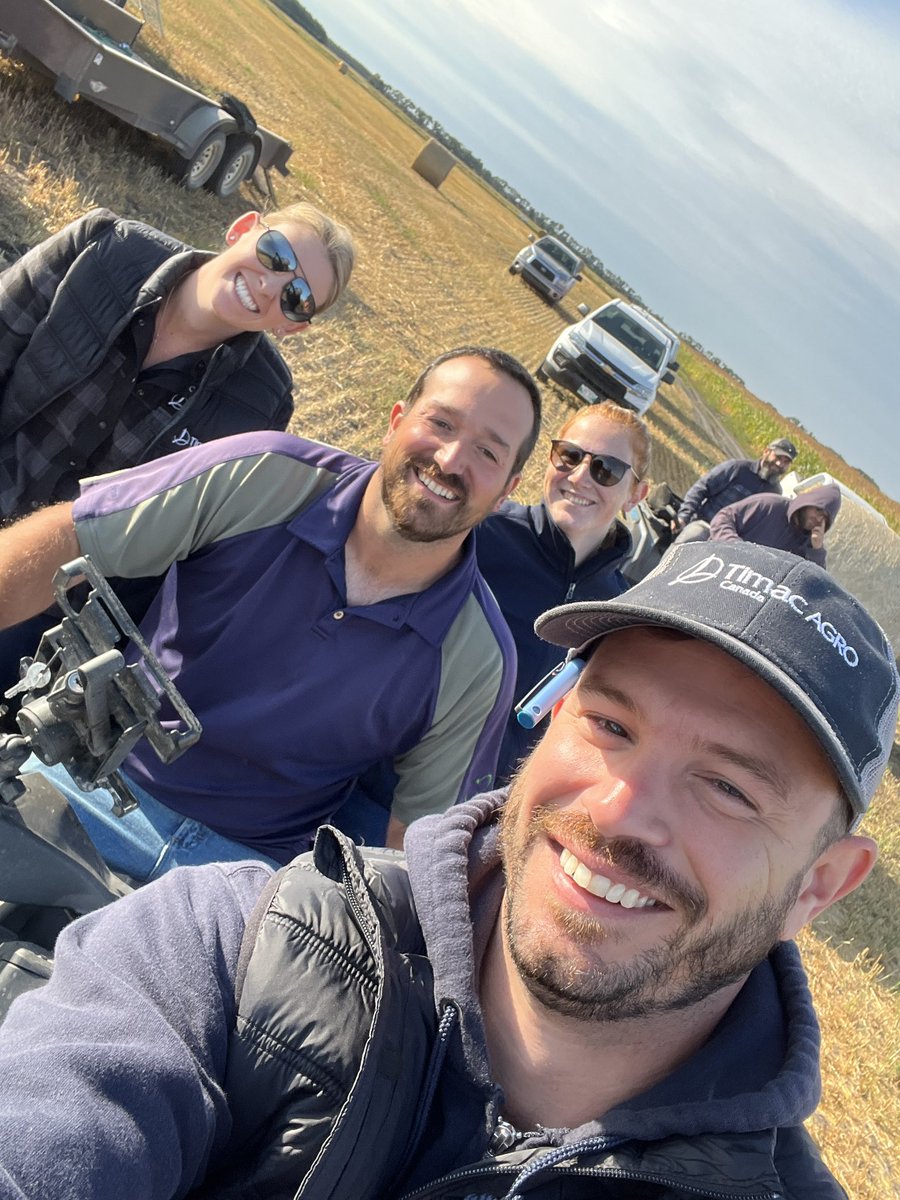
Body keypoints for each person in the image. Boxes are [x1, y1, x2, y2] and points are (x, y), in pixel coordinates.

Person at [0, 541, 894, 1200]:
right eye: (611, 726)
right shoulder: (229, 947)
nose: (618, 812)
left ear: (818, 887)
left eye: (729, 788)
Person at [0, 346, 541, 876]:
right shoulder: (261, 476)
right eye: (441, 423)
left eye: (488, 452)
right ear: (396, 421)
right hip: (94, 782)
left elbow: (419, 852)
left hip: (244, 880)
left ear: (508, 491)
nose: (451, 460)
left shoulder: (479, 661)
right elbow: (70, 537)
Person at [0, 202, 355, 681]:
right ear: (243, 228)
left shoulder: (261, 407)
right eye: (275, 254)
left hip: (43, 608)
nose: (272, 286)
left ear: (293, 324)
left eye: (297, 297)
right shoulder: (103, 248)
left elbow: (173, 559)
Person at [476, 400, 649, 781]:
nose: (581, 476)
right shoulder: (480, 534)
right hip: (399, 781)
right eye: (569, 456)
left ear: (637, 494)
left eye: (607, 469)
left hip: (498, 810)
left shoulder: (622, 612)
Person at [674, 437, 798, 541]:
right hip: (705, 525)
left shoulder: (775, 493)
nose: (779, 464)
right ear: (766, 452)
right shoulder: (738, 468)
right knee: (690, 539)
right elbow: (701, 488)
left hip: (728, 543)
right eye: (777, 457)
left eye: (785, 462)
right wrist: (684, 516)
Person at [709, 481, 841, 566]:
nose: (818, 519)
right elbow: (724, 517)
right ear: (807, 502)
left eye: (824, 517)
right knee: (694, 532)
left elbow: (815, 583)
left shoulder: (810, 545)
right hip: (718, 560)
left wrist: (816, 551)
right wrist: (738, 548)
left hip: (750, 589)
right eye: (818, 510)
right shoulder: (769, 504)